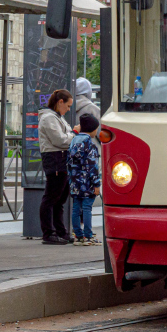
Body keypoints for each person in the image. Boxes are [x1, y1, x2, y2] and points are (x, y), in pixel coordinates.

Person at [39, 89, 74, 245]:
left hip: (61, 158)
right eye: (67, 105)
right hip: (54, 158)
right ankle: (48, 233)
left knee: (60, 197)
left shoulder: (58, 117)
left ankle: (60, 231)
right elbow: (60, 140)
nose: (68, 109)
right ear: (60, 102)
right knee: (51, 197)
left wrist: (71, 134)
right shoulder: (48, 118)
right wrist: (75, 133)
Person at [67, 115, 102, 245]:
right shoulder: (90, 144)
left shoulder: (74, 141)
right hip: (87, 183)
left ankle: (78, 235)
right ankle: (88, 236)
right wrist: (96, 184)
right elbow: (93, 166)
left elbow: (69, 163)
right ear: (92, 129)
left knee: (76, 208)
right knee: (87, 208)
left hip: (75, 182)